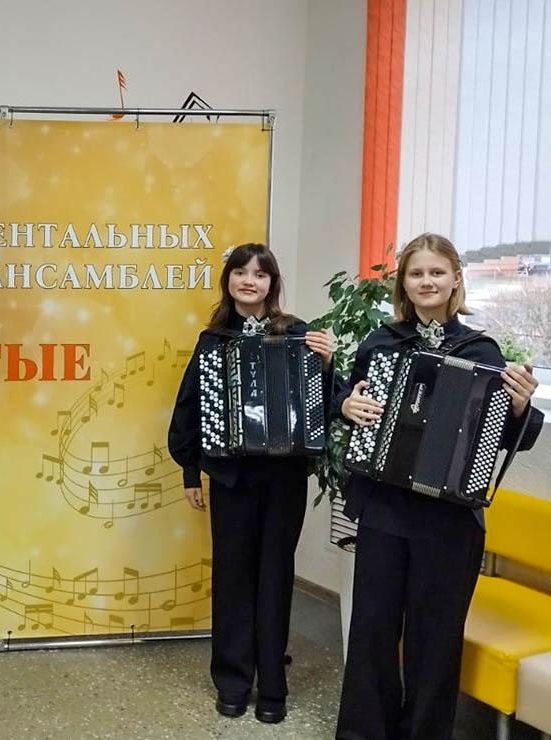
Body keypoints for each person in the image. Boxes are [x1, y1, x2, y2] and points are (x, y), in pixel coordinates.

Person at [335, 232, 543, 739]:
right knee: (372, 631)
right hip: (384, 509)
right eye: (416, 273)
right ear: (403, 284)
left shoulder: (482, 351)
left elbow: (508, 435)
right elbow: (350, 397)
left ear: (455, 279)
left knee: (436, 640)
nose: (426, 281)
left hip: (448, 522)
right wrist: (345, 404)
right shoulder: (381, 342)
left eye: (436, 272)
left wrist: (520, 408)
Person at [167, 243, 335, 724]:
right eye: (240, 272)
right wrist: (190, 470)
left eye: (260, 274)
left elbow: (325, 407)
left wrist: (326, 366)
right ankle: (233, 681)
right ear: (228, 281)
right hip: (231, 477)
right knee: (232, 577)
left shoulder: (298, 333)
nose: (249, 281)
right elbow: (189, 407)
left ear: (272, 283)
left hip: (283, 479)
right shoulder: (213, 339)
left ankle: (273, 686)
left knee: (276, 576)